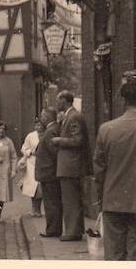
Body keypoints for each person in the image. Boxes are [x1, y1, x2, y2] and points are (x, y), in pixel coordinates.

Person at [93, 71, 136, 260]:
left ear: (123, 100)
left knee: (113, 256)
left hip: (113, 200)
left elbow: (99, 170)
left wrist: (100, 198)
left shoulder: (107, 129)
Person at [52, 90, 92, 241]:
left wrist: (59, 140)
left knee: (70, 199)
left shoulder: (74, 116)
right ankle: (76, 229)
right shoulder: (70, 115)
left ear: (64, 100)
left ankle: (72, 232)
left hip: (71, 165)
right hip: (70, 165)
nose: (57, 103)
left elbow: (77, 140)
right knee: (72, 198)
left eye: (58, 100)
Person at [35, 107, 62, 238]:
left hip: (49, 173)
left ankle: (52, 230)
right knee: (52, 202)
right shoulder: (52, 129)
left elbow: (54, 153)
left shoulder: (51, 131)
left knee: (51, 203)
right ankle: (53, 228)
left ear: (48, 117)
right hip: (49, 172)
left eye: (42, 115)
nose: (41, 118)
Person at [19, 117, 44, 217]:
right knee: (33, 186)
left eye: (40, 125)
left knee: (40, 186)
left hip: (42, 162)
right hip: (31, 162)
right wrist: (30, 152)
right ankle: (34, 207)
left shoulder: (46, 135)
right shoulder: (30, 136)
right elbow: (24, 148)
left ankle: (38, 208)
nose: (38, 127)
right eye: (37, 125)